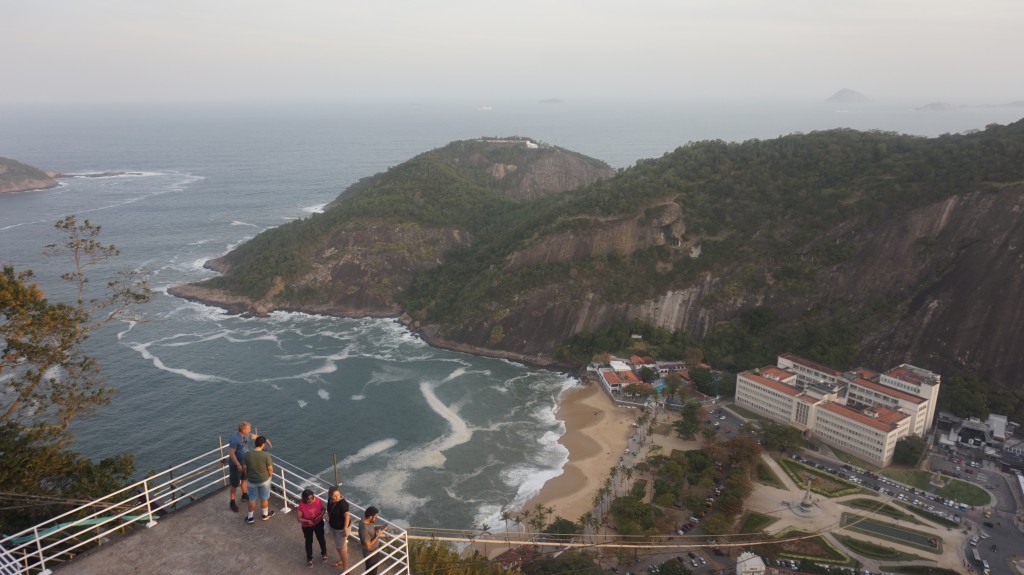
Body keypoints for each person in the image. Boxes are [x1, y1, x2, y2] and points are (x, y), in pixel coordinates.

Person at [242, 435, 275, 524]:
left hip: (251, 480)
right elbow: (270, 468)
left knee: (252, 498)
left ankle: (250, 517)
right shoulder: (266, 455)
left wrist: (247, 475)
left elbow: (244, 467)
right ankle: (265, 515)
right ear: (263, 445)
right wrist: (270, 476)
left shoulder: (248, 454)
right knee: (264, 498)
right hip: (264, 480)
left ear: (255, 443)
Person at [296, 489, 328, 567]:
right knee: (309, 541)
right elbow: (298, 518)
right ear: (304, 499)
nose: (310, 500)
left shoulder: (317, 501)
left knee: (321, 539)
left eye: (311, 498)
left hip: (318, 523)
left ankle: (324, 554)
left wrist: (320, 516)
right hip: (307, 526)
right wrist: (307, 521)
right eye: (308, 499)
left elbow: (323, 510)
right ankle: (309, 559)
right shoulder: (301, 505)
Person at [227, 421, 253, 512]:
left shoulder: (246, 435)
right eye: (248, 429)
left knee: (244, 479)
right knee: (234, 484)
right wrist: (238, 464)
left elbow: (254, 436)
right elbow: (231, 453)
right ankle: (232, 502)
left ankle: (244, 495)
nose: (250, 430)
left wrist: (264, 439)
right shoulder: (235, 439)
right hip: (236, 465)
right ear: (243, 430)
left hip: (244, 463)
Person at [326, 486, 351, 569]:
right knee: (342, 545)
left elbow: (347, 516)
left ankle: (346, 569)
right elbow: (329, 510)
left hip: (341, 529)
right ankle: (342, 560)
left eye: (338, 495)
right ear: (330, 496)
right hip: (335, 527)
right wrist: (327, 516)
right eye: (335, 496)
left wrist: (345, 529)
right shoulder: (330, 501)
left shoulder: (342, 503)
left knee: (340, 548)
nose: (337, 497)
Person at [358, 506, 387, 575]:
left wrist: (378, 527)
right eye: (375, 517)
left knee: (371, 570)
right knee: (371, 572)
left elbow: (371, 528)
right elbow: (368, 546)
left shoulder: (365, 520)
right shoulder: (364, 529)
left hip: (374, 551)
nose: (376, 518)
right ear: (370, 516)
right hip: (371, 554)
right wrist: (378, 535)